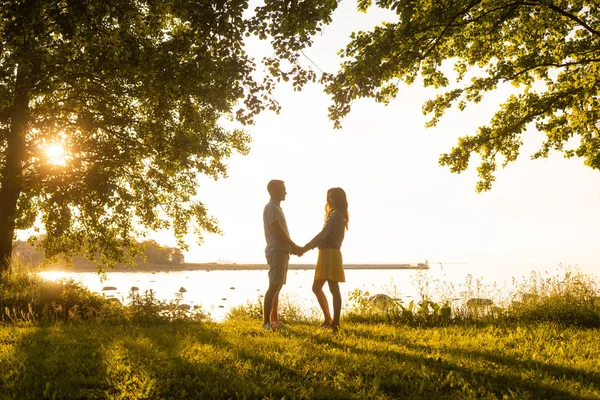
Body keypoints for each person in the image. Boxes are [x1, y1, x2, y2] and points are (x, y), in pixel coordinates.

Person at [301, 187, 349, 332]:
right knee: (317, 288)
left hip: (330, 253)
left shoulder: (335, 215)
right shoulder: (334, 214)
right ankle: (329, 319)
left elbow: (324, 234)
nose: (328, 200)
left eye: (331, 197)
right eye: (327, 197)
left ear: (338, 199)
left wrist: (306, 247)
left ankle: (335, 322)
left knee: (333, 288)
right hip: (326, 253)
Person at [263, 179, 302, 330]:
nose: (285, 192)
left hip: (282, 251)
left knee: (277, 286)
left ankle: (274, 320)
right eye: (283, 189)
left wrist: (291, 248)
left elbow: (281, 233)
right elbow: (278, 231)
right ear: (274, 190)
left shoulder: (277, 208)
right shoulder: (272, 208)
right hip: (277, 251)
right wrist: (294, 246)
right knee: (273, 286)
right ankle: (266, 323)